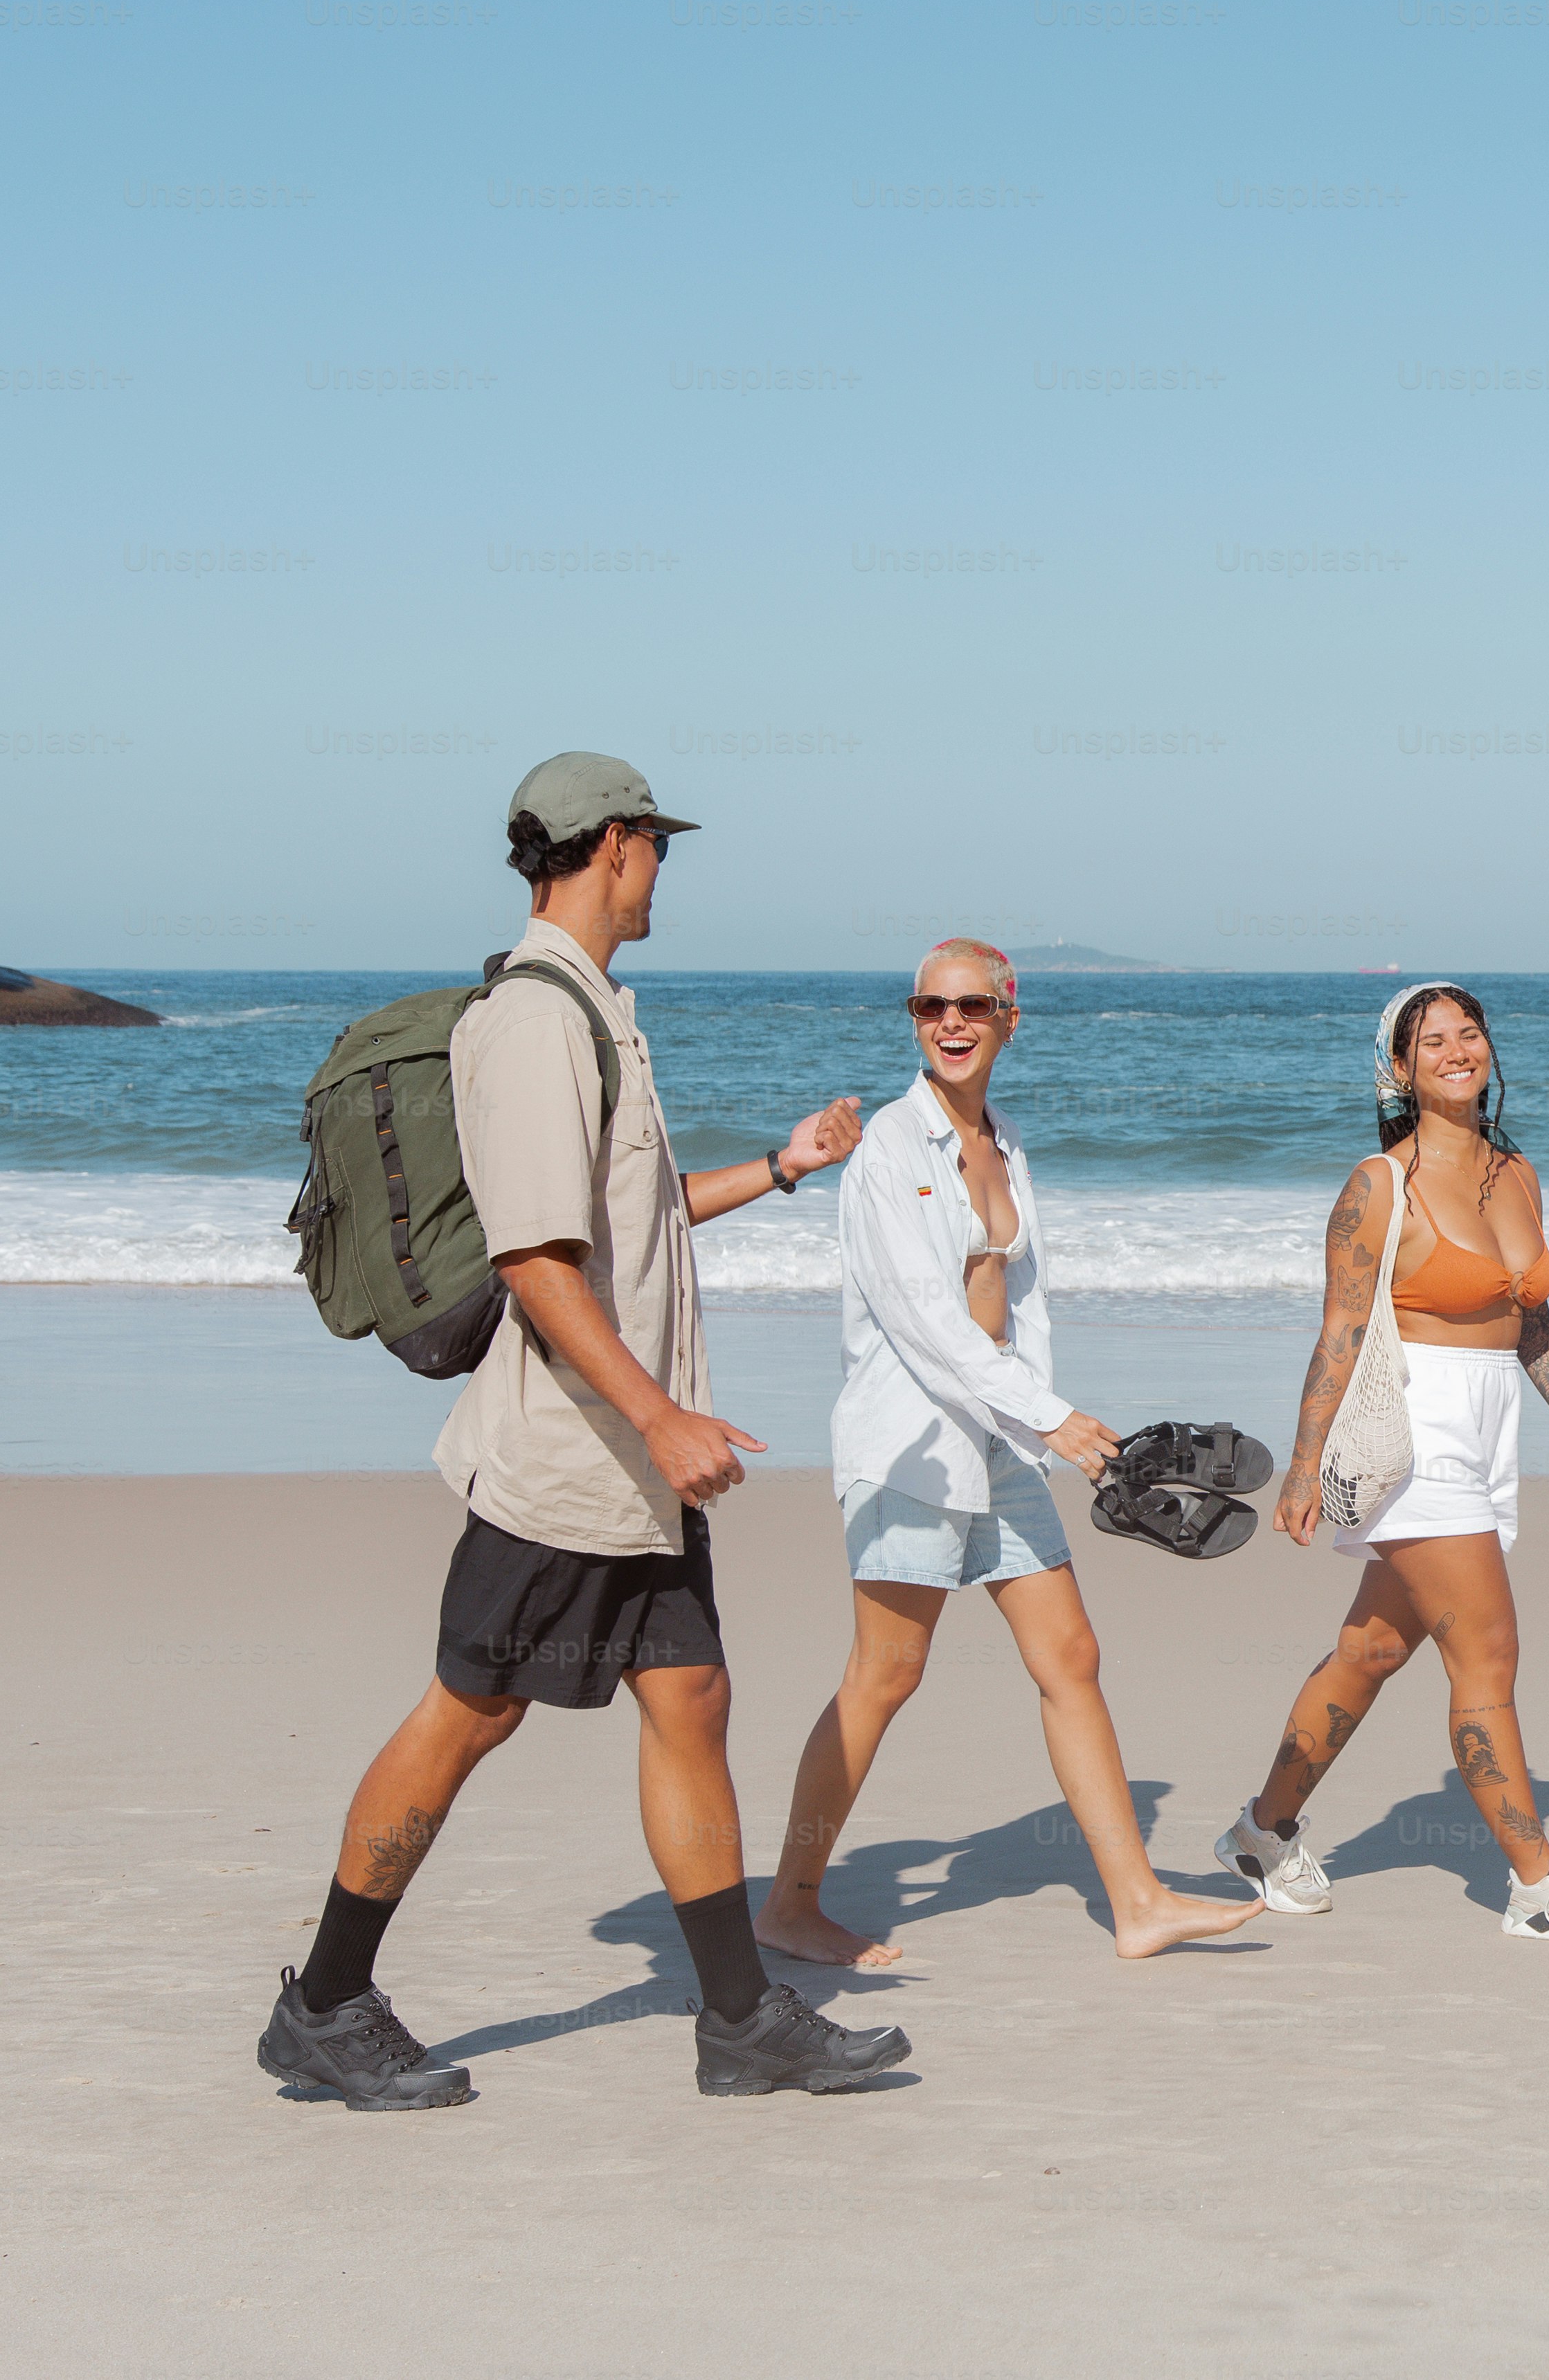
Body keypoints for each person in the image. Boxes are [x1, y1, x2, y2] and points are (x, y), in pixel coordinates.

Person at [257, 751, 906, 2110]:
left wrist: (784, 1170)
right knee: (470, 1710)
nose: (663, 868)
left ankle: (737, 2019)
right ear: (616, 845)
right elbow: (540, 1259)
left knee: (692, 1695)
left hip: (628, 1466)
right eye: (657, 845)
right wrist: (661, 1415)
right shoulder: (539, 1022)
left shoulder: (594, 1011)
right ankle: (323, 2002)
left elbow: (637, 1214)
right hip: (570, 1454)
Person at [757, 939, 1266, 1966]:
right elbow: (926, 1324)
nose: (951, 1022)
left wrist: (1047, 1427)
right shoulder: (890, 1152)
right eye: (930, 1004)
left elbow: (1018, 1307)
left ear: (1008, 1018)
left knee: (1070, 1656)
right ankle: (791, 1901)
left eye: (973, 1006)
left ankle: (1136, 1900)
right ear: (914, 1018)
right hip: (909, 1448)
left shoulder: (1006, 1143)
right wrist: (1051, 1417)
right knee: (884, 1674)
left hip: (999, 1440)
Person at [1214, 982, 1549, 1942]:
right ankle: (1537, 1883)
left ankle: (1261, 1831)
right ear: (1399, 1068)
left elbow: (1529, 1319)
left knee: (1370, 1650)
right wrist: (1302, 1464)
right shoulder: (1380, 1183)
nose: (1457, 1050)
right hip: (1414, 1431)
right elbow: (1340, 1329)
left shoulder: (1517, 1173)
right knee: (1487, 1651)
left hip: (1492, 1428)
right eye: (1432, 1040)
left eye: (1470, 1032)